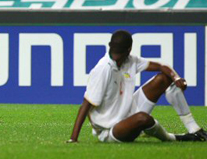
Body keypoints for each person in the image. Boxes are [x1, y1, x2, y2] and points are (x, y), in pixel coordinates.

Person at [68, 30, 207, 143]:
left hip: (129, 111)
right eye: (115, 51)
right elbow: (86, 105)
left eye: (120, 53)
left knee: (163, 79)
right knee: (143, 118)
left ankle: (194, 129)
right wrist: (73, 138)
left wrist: (176, 78)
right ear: (110, 46)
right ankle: (173, 138)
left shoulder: (130, 60)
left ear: (128, 50)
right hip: (111, 130)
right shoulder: (103, 69)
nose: (116, 57)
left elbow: (161, 66)